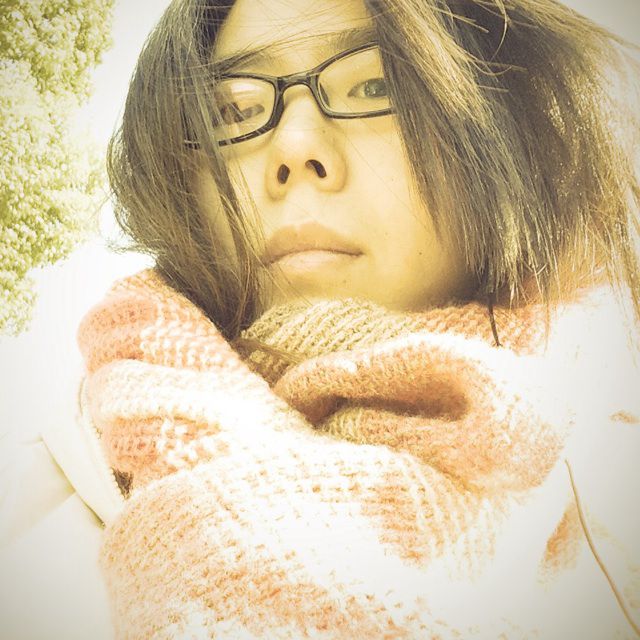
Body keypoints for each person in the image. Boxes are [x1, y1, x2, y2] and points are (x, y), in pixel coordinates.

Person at [22, 0, 640, 637]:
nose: (293, 148)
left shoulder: (615, 489)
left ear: (505, 130)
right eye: (232, 111)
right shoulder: (26, 538)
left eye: (377, 85)